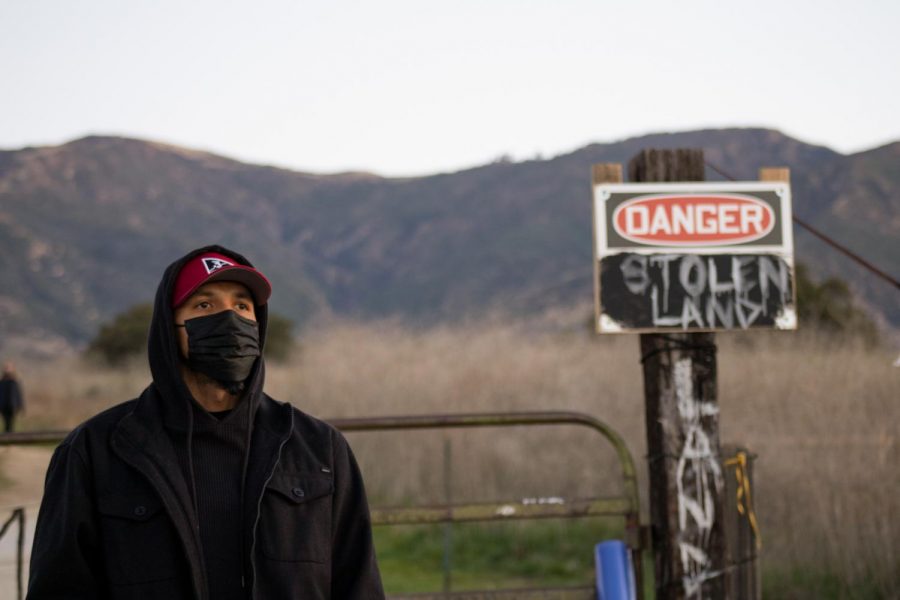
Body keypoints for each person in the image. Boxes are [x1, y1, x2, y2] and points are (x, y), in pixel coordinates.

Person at [28, 245, 384, 599]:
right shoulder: (94, 450)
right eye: (204, 305)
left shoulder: (319, 448)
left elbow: (358, 584)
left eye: (242, 306)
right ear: (170, 326)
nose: (229, 319)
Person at [0, 362, 24, 432]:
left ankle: (11, 439)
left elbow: (18, 395)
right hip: (3, 406)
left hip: (12, 406)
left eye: (9, 368)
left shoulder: (14, 382)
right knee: (6, 423)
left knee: (11, 424)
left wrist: (21, 406)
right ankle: (7, 439)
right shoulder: (2, 382)